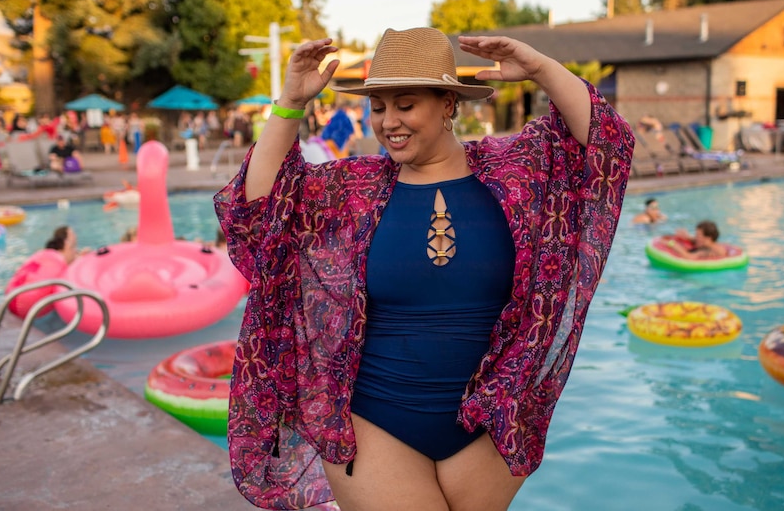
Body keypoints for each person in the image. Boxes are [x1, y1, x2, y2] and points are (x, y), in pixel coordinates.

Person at [214, 27, 634, 511]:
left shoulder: (518, 173)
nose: (389, 121)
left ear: (449, 104)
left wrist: (540, 68)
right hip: (374, 421)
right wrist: (289, 102)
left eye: (406, 104)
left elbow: (608, 145)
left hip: (490, 422)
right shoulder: (353, 191)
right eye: (379, 107)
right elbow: (257, 213)